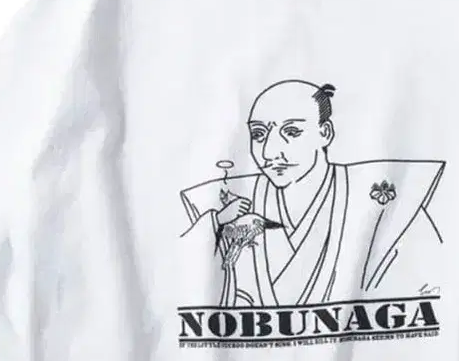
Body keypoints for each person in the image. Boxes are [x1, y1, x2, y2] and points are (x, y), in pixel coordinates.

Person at [180, 79, 445, 307]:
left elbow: (430, 289)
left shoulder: (382, 200)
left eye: (291, 131)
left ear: (325, 133)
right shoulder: (228, 202)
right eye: (258, 134)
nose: (269, 152)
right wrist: (217, 221)